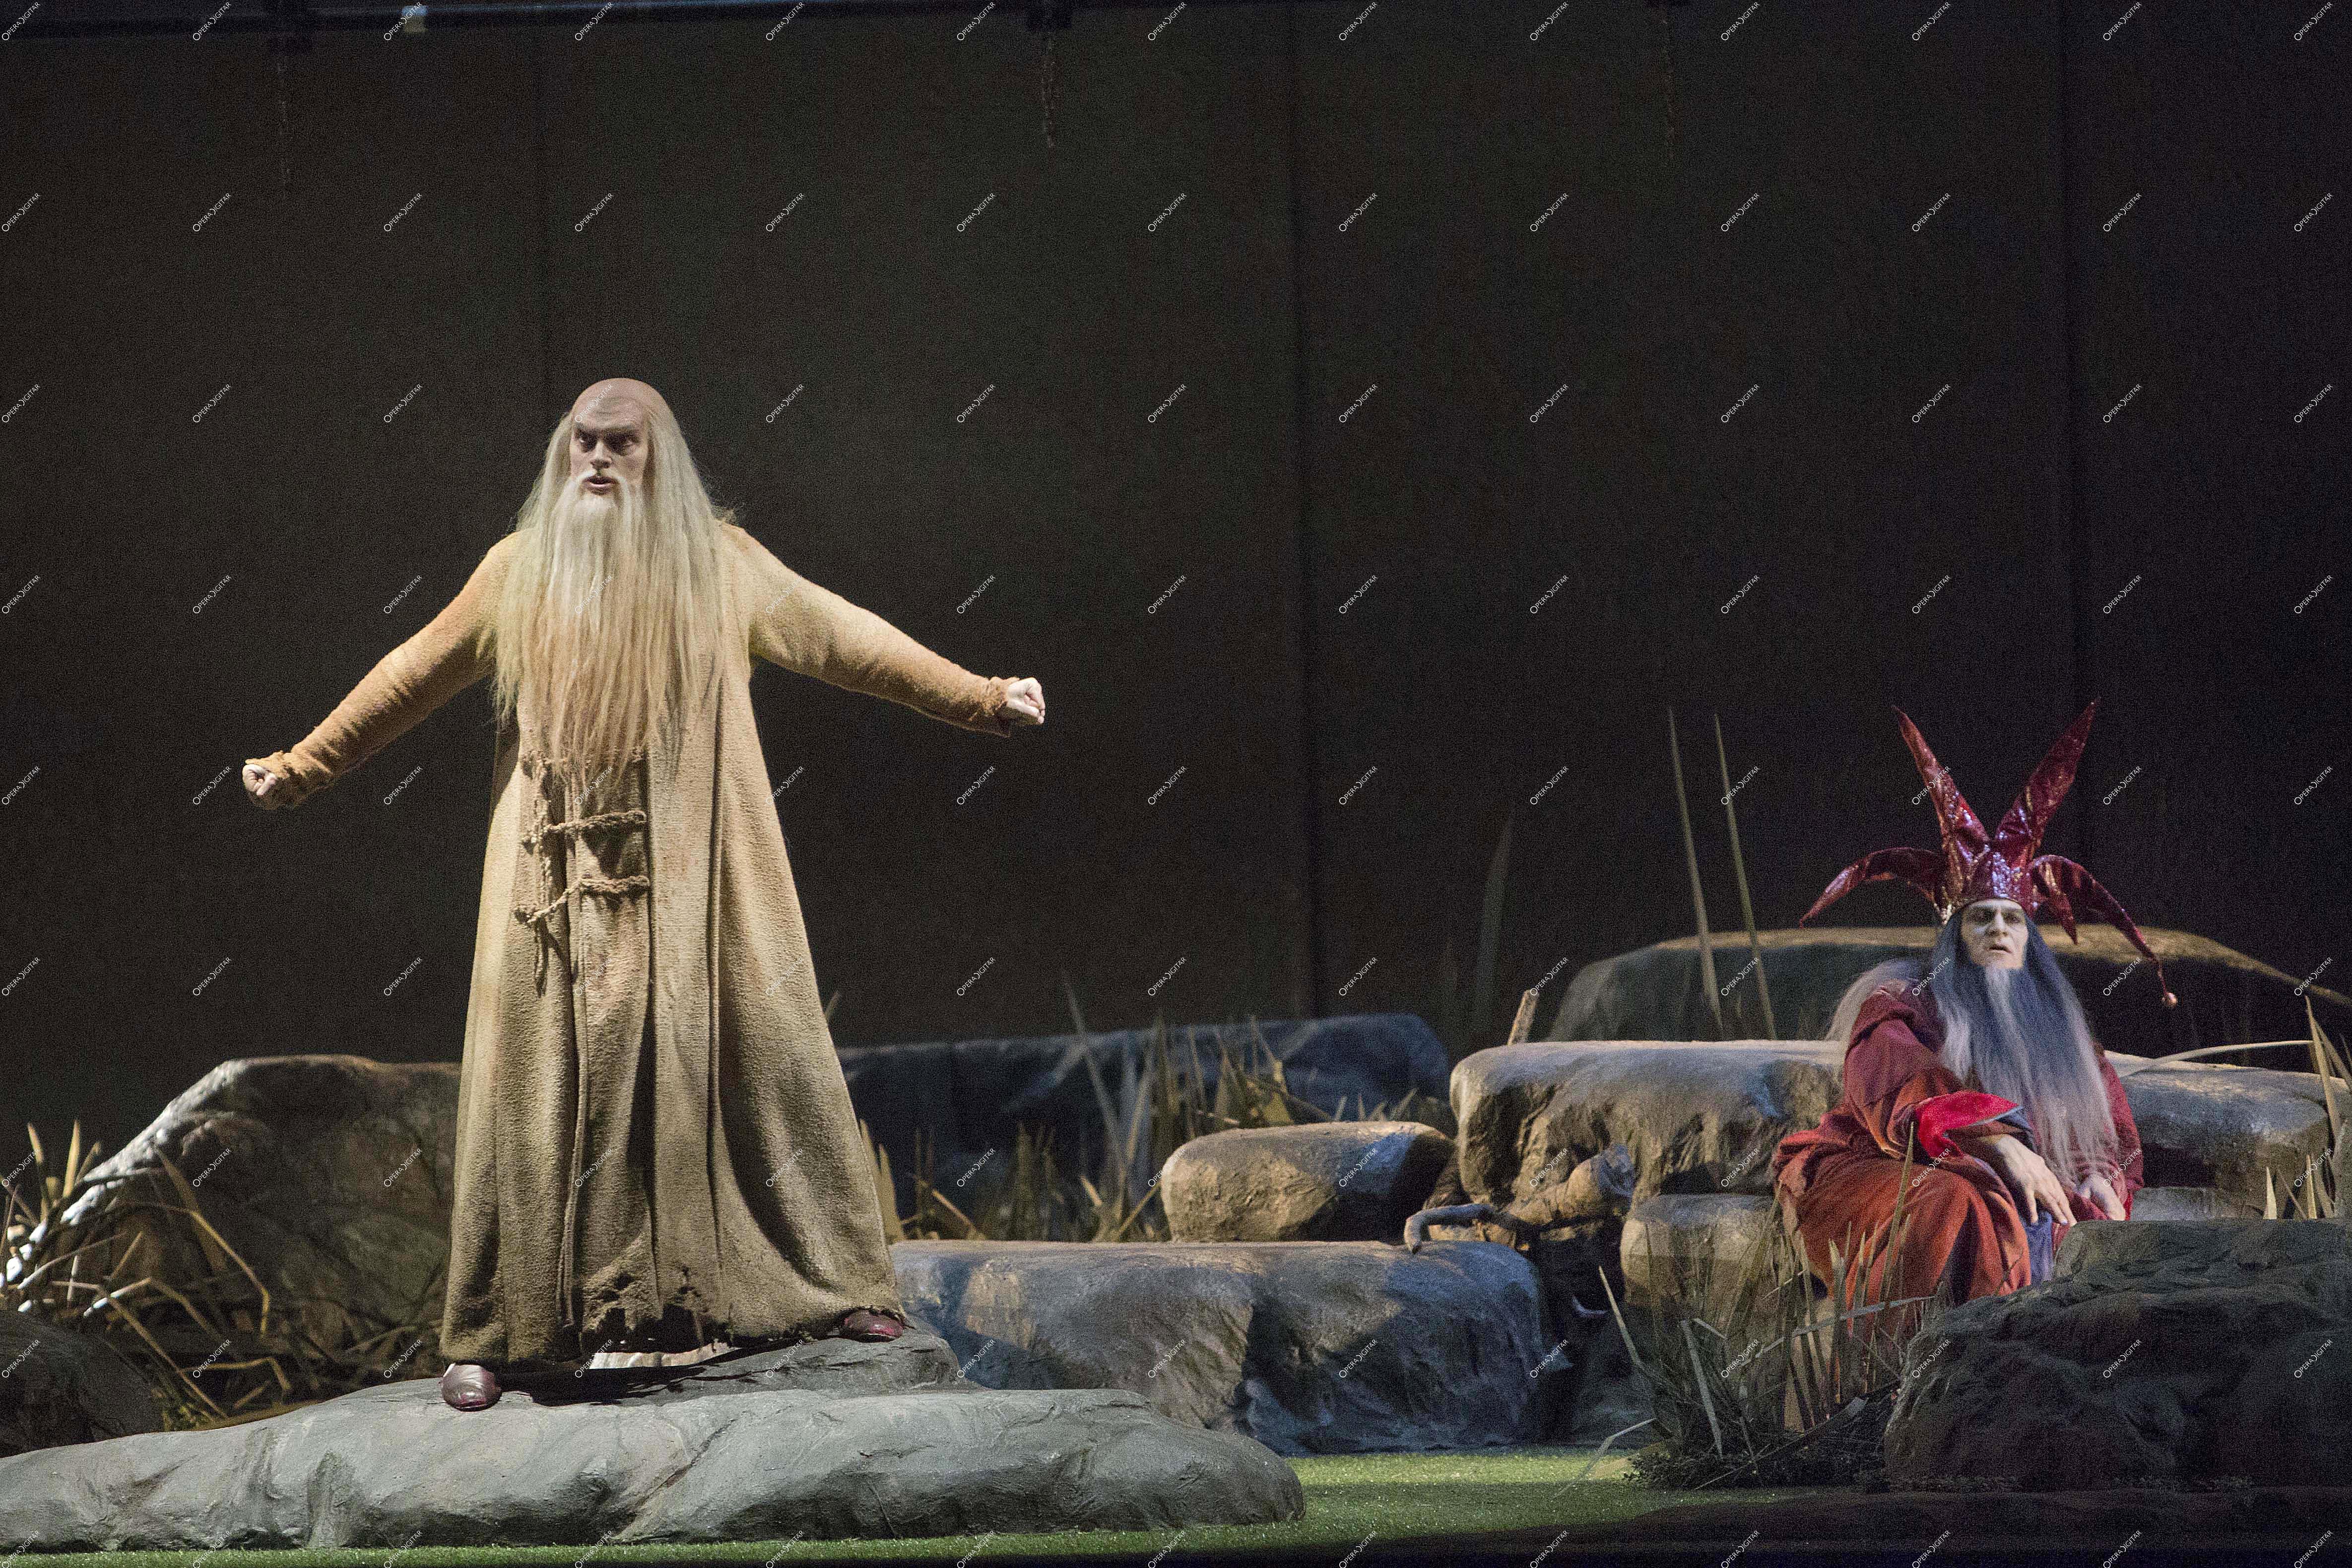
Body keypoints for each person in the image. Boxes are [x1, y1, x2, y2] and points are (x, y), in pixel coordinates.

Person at [244, 379, 1044, 1411]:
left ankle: (834, 1288)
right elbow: (412, 670)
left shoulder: (723, 564)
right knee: (529, 1095)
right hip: (551, 895)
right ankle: (498, 1333)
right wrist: (303, 764)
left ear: (658, 458)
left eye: (621, 444)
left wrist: (981, 697)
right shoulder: (516, 573)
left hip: (704, 886)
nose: (597, 460)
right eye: (583, 441)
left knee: (769, 1056)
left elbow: (846, 638)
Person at [1771, 702, 2172, 1336]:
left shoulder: (2066, 1036)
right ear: (1954, 935)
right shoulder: (1903, 1000)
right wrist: (1995, 1140)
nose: (1997, 930)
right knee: (1955, 1200)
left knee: (2044, 1222)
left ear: (2031, 937)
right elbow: (1897, 1082)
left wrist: (2102, 1177)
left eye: (2012, 919)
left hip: (2011, 1190)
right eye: (1980, 918)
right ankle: (1902, 1379)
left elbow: (2111, 1134)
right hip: (1886, 1169)